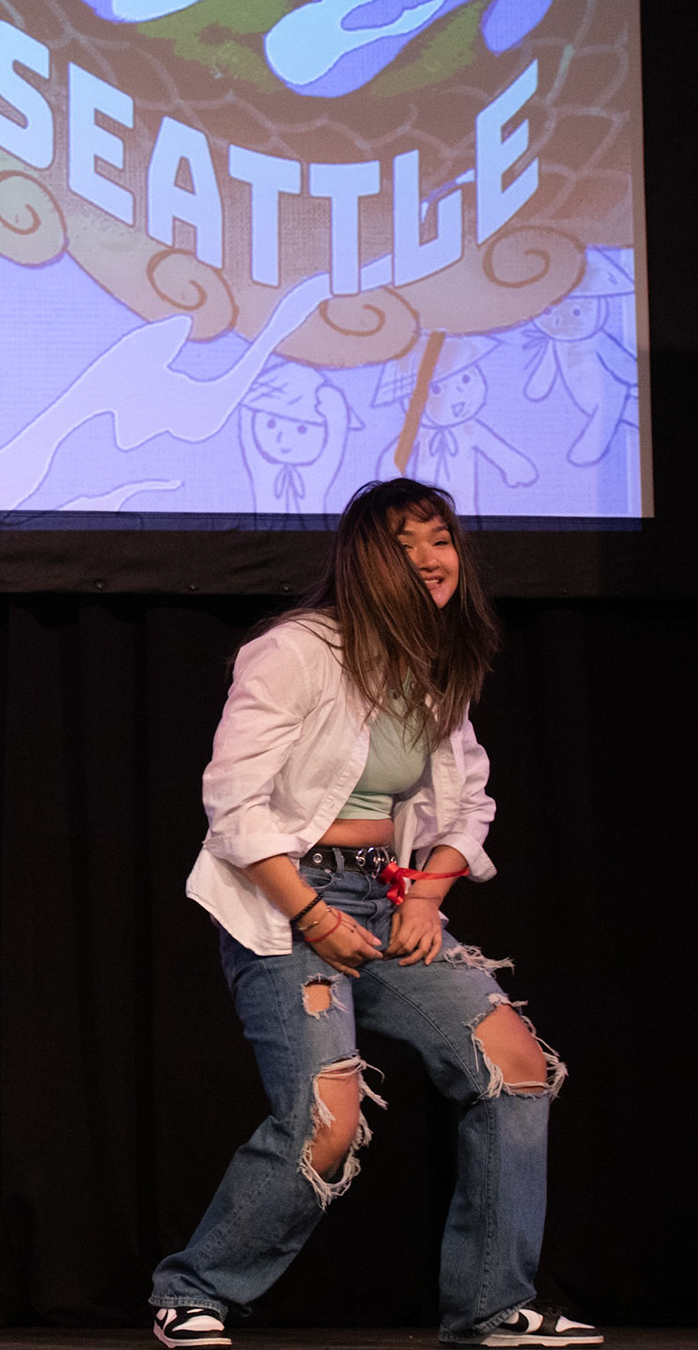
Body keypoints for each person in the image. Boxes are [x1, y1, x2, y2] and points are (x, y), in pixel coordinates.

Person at [149, 478, 600, 1350]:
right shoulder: (295, 650)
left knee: (515, 1065)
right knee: (329, 1119)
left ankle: (491, 1304)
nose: (431, 559)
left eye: (441, 539)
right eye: (406, 544)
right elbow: (233, 805)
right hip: (283, 900)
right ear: (365, 560)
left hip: (386, 895)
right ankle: (192, 1287)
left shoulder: (435, 662)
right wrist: (315, 915)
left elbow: (468, 802)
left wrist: (427, 893)